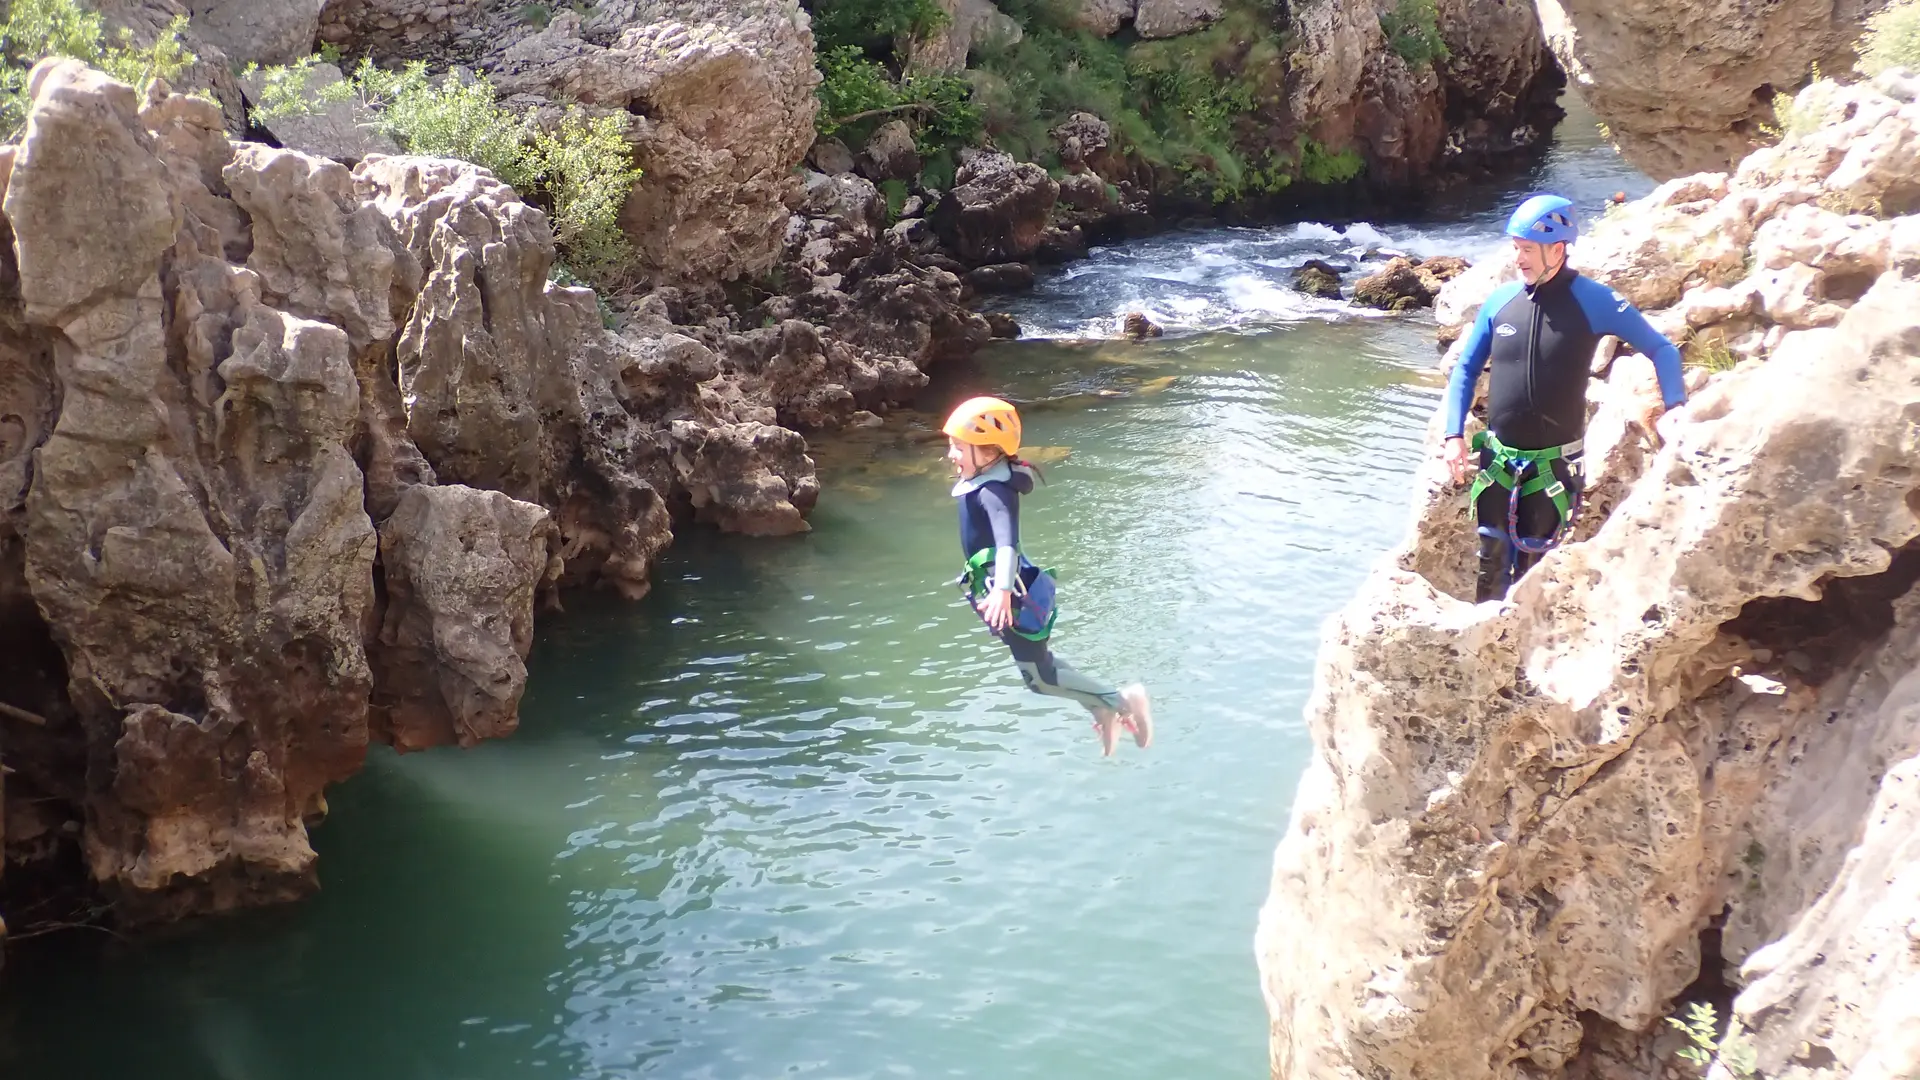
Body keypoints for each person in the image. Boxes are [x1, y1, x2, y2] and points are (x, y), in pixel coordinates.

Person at [1442, 193, 1689, 603]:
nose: (1518, 259)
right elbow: (1466, 370)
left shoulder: (1594, 301)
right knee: (1491, 552)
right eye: (1516, 249)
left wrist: (1676, 406)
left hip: (1552, 464)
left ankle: (1523, 655)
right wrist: (1454, 435)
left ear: (1557, 249)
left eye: (1527, 250)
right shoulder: (1500, 302)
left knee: (1533, 563)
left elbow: (1662, 348)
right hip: (1498, 460)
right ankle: (1488, 639)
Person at [943, 396, 1152, 756]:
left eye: (959, 447)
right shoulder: (986, 481)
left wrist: (1003, 592)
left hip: (1015, 596)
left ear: (989, 452)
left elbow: (1006, 544)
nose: (951, 454)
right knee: (1043, 669)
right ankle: (1101, 709)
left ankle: (1122, 700)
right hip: (1004, 593)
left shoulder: (994, 491)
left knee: (1039, 679)